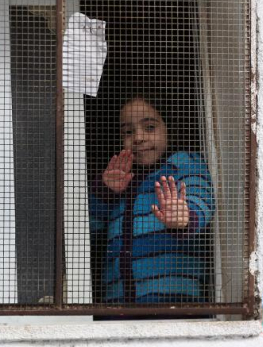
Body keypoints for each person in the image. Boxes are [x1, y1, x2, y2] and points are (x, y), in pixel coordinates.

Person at [89, 93, 215, 305]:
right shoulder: (120, 178)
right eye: (128, 132)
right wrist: (105, 192)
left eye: (149, 127)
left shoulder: (183, 163)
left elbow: (201, 196)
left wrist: (185, 216)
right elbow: (85, 230)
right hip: (117, 306)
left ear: (169, 128)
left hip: (175, 305)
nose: (138, 138)